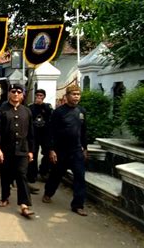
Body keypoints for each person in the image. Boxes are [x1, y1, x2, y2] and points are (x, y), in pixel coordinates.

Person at [42, 85, 88, 216]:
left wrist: (85, 148)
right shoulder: (59, 112)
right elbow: (50, 132)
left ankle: (78, 205)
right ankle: (48, 193)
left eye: (78, 94)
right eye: (73, 94)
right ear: (67, 96)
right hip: (60, 150)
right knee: (56, 174)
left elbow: (84, 132)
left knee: (80, 177)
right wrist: (51, 149)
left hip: (76, 150)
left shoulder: (81, 112)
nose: (76, 96)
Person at [0, 83, 35, 218]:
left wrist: (31, 150)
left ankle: (24, 204)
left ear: (22, 94)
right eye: (13, 91)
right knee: (5, 174)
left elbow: (31, 133)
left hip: (23, 149)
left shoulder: (27, 111)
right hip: (6, 149)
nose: (16, 94)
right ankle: (5, 197)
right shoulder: (2, 110)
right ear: (9, 93)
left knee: (21, 174)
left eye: (19, 92)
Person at [28, 89, 53, 186]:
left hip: (45, 134)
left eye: (41, 95)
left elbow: (50, 116)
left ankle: (44, 171)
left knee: (47, 153)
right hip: (34, 135)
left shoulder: (47, 107)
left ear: (44, 97)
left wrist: (42, 105)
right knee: (33, 154)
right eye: (37, 95)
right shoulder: (31, 107)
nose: (39, 97)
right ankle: (32, 174)